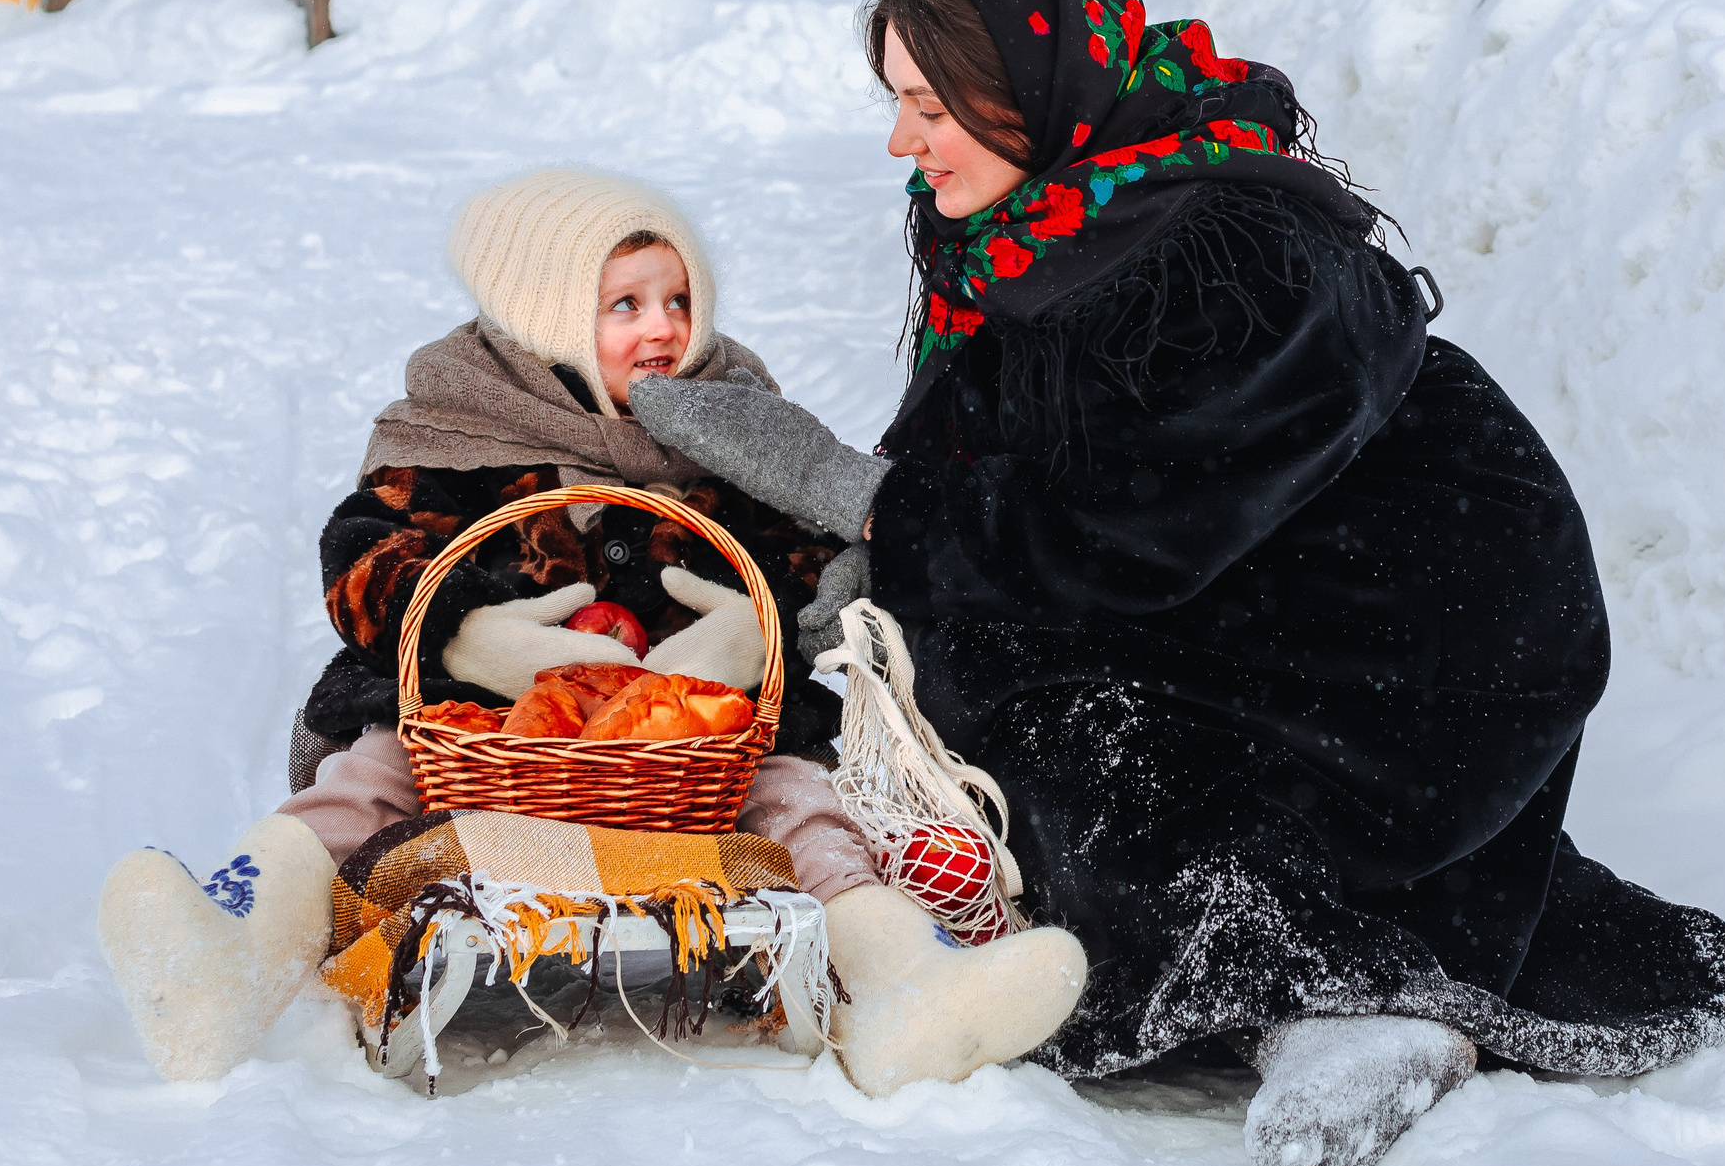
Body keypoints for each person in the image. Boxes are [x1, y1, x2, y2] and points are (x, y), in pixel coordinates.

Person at [629, 0, 1725, 1166]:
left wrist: (877, 504)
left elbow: (1126, 530)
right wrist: (882, 558)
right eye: (895, 100)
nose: (904, 141)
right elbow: (999, 460)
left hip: (1421, 630)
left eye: (930, 106)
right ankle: (1256, 953)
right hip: (1251, 584)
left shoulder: (1227, 252)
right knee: (952, 674)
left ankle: (1335, 1000)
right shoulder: (1030, 220)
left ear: (1029, 96)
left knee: (1071, 725)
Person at [96, 168, 1084, 1094]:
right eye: (625, 305)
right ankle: (229, 950)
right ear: (544, 313)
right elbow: (365, 552)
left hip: (696, 734)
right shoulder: (457, 419)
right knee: (360, 781)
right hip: (482, 731)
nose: (663, 329)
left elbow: (809, 550)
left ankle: (905, 980)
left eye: (678, 299)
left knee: (804, 802)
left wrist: (759, 631)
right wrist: (466, 630)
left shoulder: (730, 416)